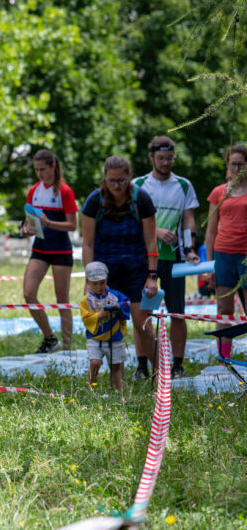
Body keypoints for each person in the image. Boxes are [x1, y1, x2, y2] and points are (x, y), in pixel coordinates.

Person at [81, 155, 159, 380]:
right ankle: (108, 381)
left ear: (129, 177)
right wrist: (90, 279)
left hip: (136, 271)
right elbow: (87, 243)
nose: (116, 185)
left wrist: (152, 276)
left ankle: (160, 375)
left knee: (143, 324)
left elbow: (151, 241)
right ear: (104, 179)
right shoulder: (94, 201)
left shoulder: (141, 199)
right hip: (105, 274)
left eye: (121, 180)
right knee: (105, 325)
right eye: (112, 180)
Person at [132, 135, 201, 379]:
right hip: (144, 259)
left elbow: (189, 219)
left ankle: (178, 365)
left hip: (173, 260)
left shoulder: (183, 185)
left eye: (170, 158)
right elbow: (133, 221)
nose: (166, 163)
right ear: (151, 157)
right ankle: (142, 365)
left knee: (177, 313)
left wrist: (191, 248)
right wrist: (157, 231)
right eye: (161, 158)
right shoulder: (138, 184)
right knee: (143, 313)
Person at [21, 149, 78, 354]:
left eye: (42, 169)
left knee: (62, 299)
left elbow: (73, 225)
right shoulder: (33, 190)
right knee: (29, 293)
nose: (39, 173)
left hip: (61, 250)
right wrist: (26, 230)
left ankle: (68, 348)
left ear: (53, 167)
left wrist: (49, 223)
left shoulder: (64, 191)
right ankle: (49, 338)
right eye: (36, 169)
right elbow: (29, 222)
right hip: (40, 248)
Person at [205, 144, 247, 360]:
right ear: (227, 165)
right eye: (233, 164)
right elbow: (211, 231)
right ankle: (224, 357)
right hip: (223, 255)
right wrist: (209, 264)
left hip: (246, 257)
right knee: (224, 307)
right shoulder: (218, 192)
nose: (237, 168)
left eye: (241, 163)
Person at [80, 262, 130, 392]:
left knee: (116, 366)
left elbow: (126, 303)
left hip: (115, 338)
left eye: (102, 282)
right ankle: (92, 389)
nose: (99, 286)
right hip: (95, 338)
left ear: (106, 280)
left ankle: (120, 392)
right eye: (94, 283)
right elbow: (86, 318)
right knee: (95, 362)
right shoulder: (86, 300)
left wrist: (119, 307)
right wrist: (100, 315)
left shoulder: (115, 295)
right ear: (88, 282)